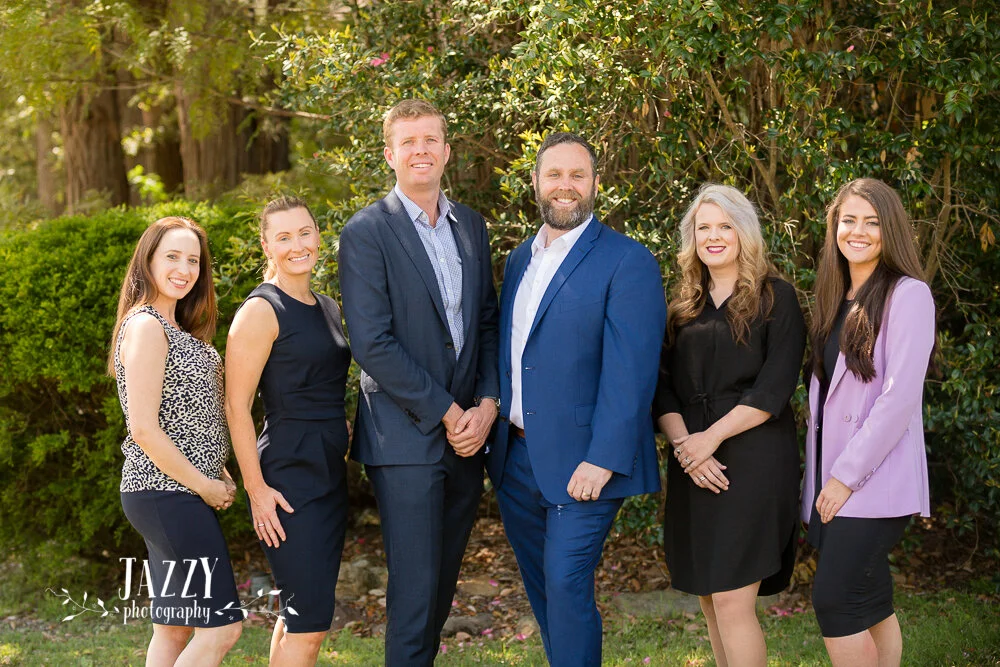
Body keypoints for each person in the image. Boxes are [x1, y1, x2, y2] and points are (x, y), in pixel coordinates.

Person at [488, 132, 666, 667]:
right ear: (535, 182)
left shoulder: (626, 260)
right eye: (554, 175)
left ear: (595, 183)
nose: (565, 186)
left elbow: (632, 372)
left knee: (566, 584)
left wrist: (603, 458)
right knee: (545, 591)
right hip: (516, 458)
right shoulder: (518, 260)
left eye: (577, 175)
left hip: (586, 462)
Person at [337, 99, 500, 666]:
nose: (420, 151)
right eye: (408, 142)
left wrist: (487, 404)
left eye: (430, 140)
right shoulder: (366, 232)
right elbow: (372, 344)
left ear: (447, 151)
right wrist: (451, 413)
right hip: (405, 439)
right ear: (390, 155)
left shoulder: (471, 226)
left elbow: (486, 323)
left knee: (440, 591)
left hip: (468, 438)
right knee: (413, 594)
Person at [653, 184, 806, 667]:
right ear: (692, 237)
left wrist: (710, 440)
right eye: (704, 228)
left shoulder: (776, 298)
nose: (714, 236)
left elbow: (773, 390)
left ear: (745, 232)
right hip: (692, 460)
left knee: (732, 598)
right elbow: (661, 389)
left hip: (754, 458)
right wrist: (687, 447)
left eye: (725, 226)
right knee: (709, 596)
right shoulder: (681, 307)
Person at [804, 178, 934, 667]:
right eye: (849, 220)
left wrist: (844, 476)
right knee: (871, 599)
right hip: (833, 478)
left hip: (871, 479)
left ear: (890, 229)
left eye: (872, 222)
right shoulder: (835, 296)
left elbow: (899, 399)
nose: (858, 231)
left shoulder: (909, 294)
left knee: (835, 601)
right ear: (834, 226)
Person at [109, 217, 242, 666]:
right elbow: (144, 428)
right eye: (172, 257)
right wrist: (204, 485)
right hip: (166, 492)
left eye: (193, 260)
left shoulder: (176, 328)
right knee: (222, 627)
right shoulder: (147, 326)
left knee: (174, 628)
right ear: (147, 260)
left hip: (171, 492)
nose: (184, 269)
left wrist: (218, 468)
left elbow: (192, 415)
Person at [224, 196, 351, 665]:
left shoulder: (328, 307)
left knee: (296, 617)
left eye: (304, 232)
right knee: (309, 624)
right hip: (288, 479)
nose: (297, 245)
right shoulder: (261, 309)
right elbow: (236, 407)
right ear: (267, 246)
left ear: (318, 235)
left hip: (329, 473)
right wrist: (256, 490)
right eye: (283, 237)